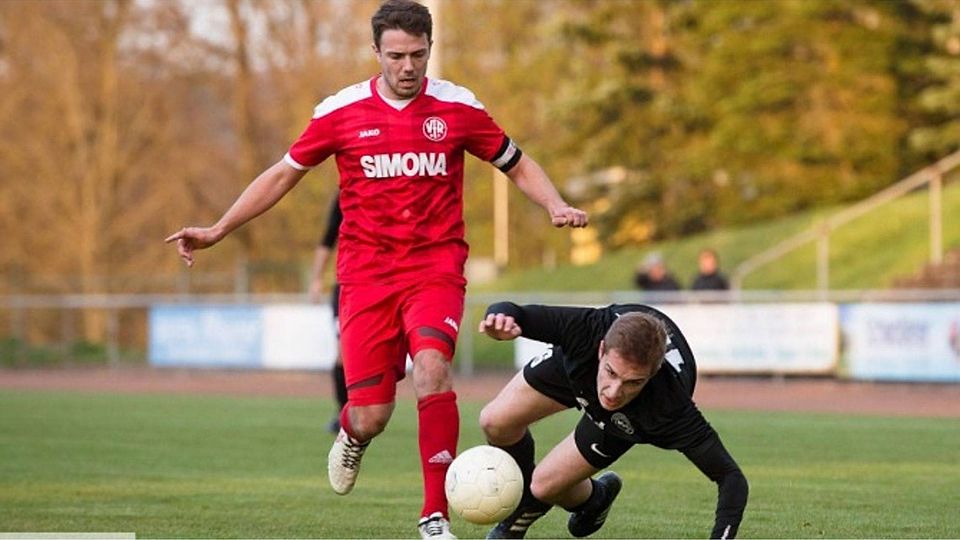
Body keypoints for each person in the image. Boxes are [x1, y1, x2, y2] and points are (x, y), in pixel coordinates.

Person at [165, 1, 588, 538]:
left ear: (430, 48)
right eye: (395, 56)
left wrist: (553, 204)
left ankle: (433, 515)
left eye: (417, 54)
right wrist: (218, 229)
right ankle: (352, 433)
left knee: (432, 368)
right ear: (376, 53)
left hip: (435, 268)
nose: (407, 66)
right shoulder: (341, 112)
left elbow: (517, 161)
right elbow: (281, 175)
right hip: (365, 279)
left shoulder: (457, 107)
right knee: (372, 415)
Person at [476, 301, 748, 539]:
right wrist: (498, 321)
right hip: (580, 368)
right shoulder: (587, 330)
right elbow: (515, 311)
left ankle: (594, 498)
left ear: (651, 375)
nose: (615, 392)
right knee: (494, 420)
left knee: (544, 486)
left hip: (626, 418)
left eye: (633, 382)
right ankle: (531, 502)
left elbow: (730, 478)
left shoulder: (669, 406)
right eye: (612, 372)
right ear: (602, 349)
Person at [308, 191, 347, 434]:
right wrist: (316, 279)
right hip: (348, 287)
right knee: (343, 353)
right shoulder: (344, 196)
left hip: (393, 281)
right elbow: (327, 239)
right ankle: (344, 413)